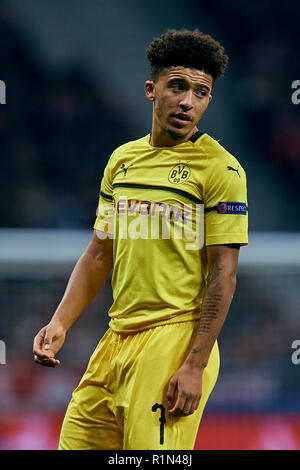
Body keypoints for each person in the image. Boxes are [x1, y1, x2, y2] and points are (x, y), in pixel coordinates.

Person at [33, 29, 248, 450]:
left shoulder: (221, 170)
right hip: (116, 338)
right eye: (178, 87)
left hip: (174, 339)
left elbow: (224, 272)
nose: (188, 101)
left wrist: (195, 364)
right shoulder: (123, 160)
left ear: (208, 101)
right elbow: (100, 252)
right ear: (152, 90)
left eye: (201, 92)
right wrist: (60, 321)